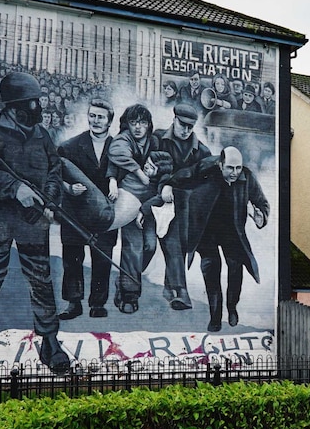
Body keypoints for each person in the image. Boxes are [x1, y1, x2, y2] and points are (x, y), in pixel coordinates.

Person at [0, 71, 69, 378]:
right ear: (15, 105)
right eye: (32, 102)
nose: (38, 107)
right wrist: (15, 188)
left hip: (33, 222)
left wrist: (48, 200)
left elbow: (54, 170)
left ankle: (49, 341)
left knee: (41, 281)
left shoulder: (41, 135)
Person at [165, 146, 269, 332]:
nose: (235, 173)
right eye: (230, 168)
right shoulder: (206, 169)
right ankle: (215, 316)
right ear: (220, 164)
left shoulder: (246, 177)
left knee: (236, 269)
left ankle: (232, 307)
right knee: (211, 270)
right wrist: (167, 185)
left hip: (232, 231)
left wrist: (261, 215)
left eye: (238, 168)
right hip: (206, 230)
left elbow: (261, 201)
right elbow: (185, 175)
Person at [57, 99, 119, 320]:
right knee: (72, 257)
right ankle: (74, 303)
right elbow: (54, 176)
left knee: (102, 257)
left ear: (110, 121)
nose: (95, 120)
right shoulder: (69, 146)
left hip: (105, 213)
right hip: (75, 211)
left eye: (101, 117)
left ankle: (98, 303)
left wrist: (115, 183)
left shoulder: (119, 147)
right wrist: (68, 188)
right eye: (92, 115)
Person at [155, 103, 212, 310]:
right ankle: (181, 292)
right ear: (174, 119)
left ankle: (170, 288)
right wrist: (164, 186)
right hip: (159, 202)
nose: (186, 130)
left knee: (177, 244)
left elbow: (208, 180)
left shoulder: (202, 151)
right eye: (182, 125)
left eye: (190, 126)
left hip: (187, 208)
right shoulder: (158, 139)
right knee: (173, 243)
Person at [106, 104, 160, 313]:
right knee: (133, 247)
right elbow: (115, 158)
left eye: (143, 122)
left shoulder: (155, 142)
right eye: (133, 122)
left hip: (150, 203)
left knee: (150, 247)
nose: (138, 127)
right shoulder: (123, 139)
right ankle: (129, 295)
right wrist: (112, 179)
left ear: (149, 124)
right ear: (127, 124)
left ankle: (126, 279)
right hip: (129, 198)